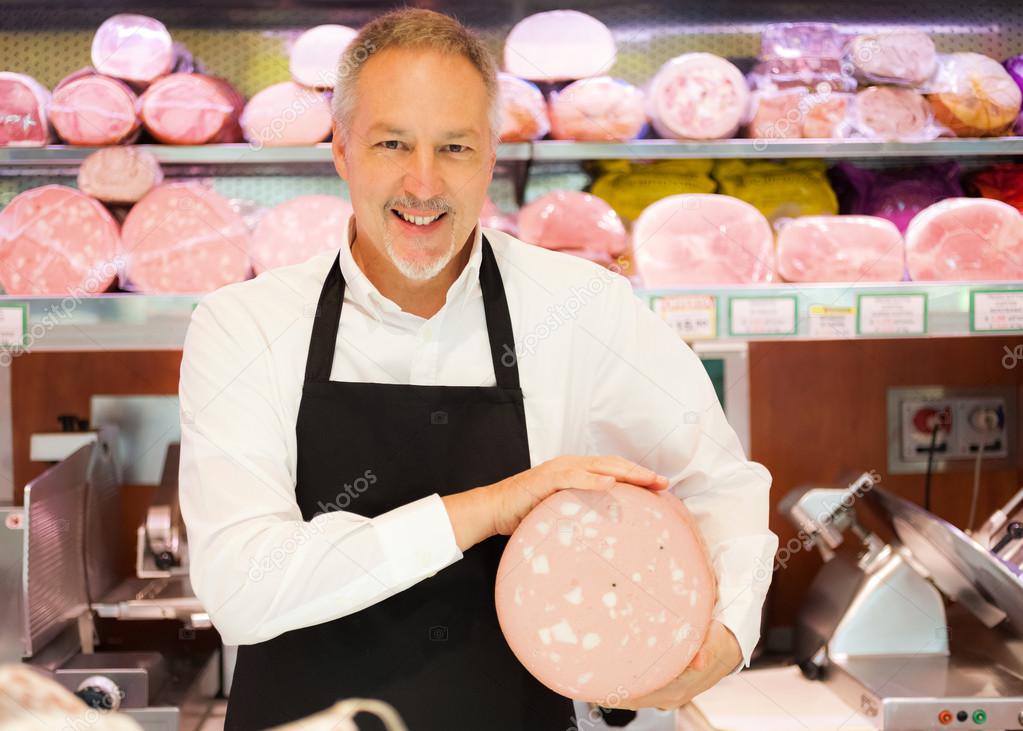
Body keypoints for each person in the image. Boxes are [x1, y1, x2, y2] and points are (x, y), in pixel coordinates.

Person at [178, 8, 778, 730]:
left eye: (454, 147)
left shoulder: (581, 307)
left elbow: (716, 481)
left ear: (491, 155)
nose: (423, 183)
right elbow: (240, 586)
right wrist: (485, 508)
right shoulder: (244, 324)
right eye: (392, 142)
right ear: (341, 150)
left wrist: (729, 633)